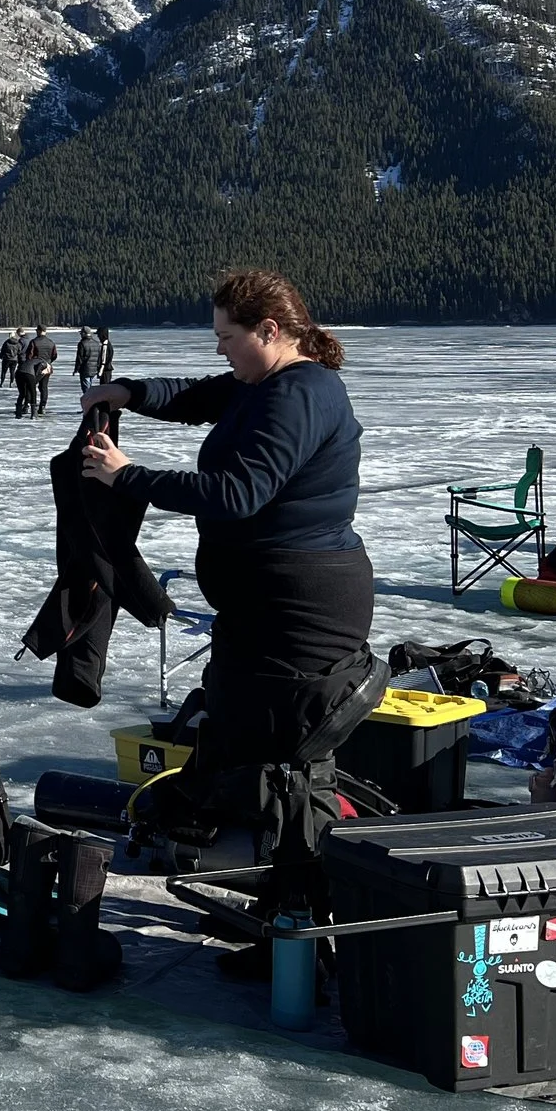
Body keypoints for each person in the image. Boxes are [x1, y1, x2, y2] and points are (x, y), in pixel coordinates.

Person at [79, 269, 374, 977]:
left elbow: (239, 492)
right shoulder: (262, 383)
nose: (221, 350)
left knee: (292, 767)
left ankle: (303, 942)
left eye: (228, 337)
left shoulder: (302, 394)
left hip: (302, 611)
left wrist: (126, 475)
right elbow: (199, 396)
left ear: (270, 330)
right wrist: (130, 393)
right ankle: (285, 921)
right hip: (263, 607)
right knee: (254, 750)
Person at [24, 327, 58, 420]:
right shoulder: (51, 342)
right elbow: (54, 355)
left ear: (38, 331)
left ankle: (28, 405)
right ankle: (42, 407)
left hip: (35, 367)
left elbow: (29, 355)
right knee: (44, 387)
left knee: (30, 387)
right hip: (47, 367)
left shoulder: (34, 342)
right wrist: (48, 362)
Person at [12, 329, 38, 418]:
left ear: (19, 333)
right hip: (31, 365)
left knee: (23, 391)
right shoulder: (30, 340)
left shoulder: (21, 341)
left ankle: (20, 410)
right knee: (31, 390)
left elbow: (18, 351)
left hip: (23, 366)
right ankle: (29, 408)